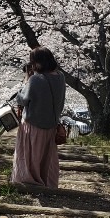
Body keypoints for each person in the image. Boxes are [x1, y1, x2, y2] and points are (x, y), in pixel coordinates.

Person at [11, 47, 66, 189]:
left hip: (33, 124)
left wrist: (27, 80)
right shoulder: (60, 77)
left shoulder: (36, 79)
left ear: (36, 62)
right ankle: (47, 182)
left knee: (30, 156)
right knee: (46, 157)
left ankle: (29, 180)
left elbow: (22, 100)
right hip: (51, 125)